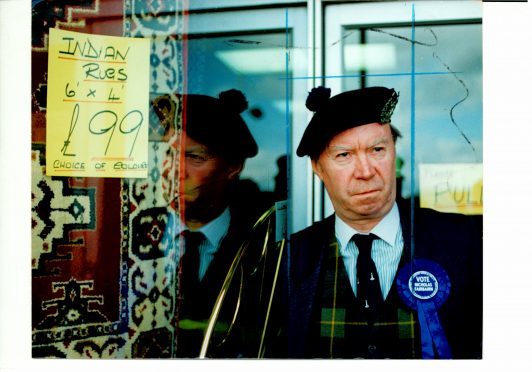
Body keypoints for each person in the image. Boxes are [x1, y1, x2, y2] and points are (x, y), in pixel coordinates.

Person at [280, 86, 482, 359]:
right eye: (344, 155)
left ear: (393, 153)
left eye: (377, 149)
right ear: (317, 167)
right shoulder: (290, 256)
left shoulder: (465, 240)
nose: (365, 172)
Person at [154, 89, 265, 357]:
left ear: (233, 167)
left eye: (195, 157)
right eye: (168, 154)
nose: (176, 171)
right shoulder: (130, 240)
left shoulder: (263, 250)